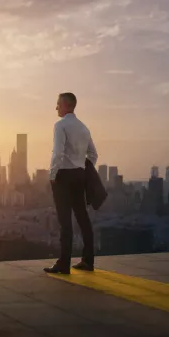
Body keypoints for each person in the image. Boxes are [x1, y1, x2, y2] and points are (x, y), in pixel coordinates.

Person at [44, 92, 98, 275]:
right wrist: (84, 168)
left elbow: (58, 152)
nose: (56, 108)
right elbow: (93, 154)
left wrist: (53, 174)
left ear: (66, 105)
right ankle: (88, 261)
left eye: (58, 104)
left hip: (64, 176)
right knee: (83, 218)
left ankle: (63, 263)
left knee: (64, 221)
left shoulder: (60, 125)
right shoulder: (83, 128)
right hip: (79, 175)